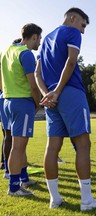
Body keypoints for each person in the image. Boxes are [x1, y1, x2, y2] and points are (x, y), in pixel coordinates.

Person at [35, 7, 96, 210]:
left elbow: (37, 73)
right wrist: (58, 91)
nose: (83, 31)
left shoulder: (47, 38)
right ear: (73, 17)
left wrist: (46, 94)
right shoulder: (71, 32)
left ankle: (55, 199)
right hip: (69, 93)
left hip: (50, 98)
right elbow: (71, 61)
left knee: (52, 148)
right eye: (83, 25)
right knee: (83, 145)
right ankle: (86, 201)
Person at [0, 24, 42, 196]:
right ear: (33, 37)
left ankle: (24, 178)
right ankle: (14, 187)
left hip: (7, 101)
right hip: (22, 102)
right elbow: (33, 85)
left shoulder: (6, 51)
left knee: (20, 144)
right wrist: (38, 103)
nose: (40, 42)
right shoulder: (26, 54)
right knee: (18, 146)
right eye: (39, 38)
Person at [1, 38, 23, 179]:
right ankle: (9, 169)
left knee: (8, 136)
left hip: (6, 98)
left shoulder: (5, 56)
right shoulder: (15, 56)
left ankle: (7, 167)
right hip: (10, 98)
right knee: (13, 137)